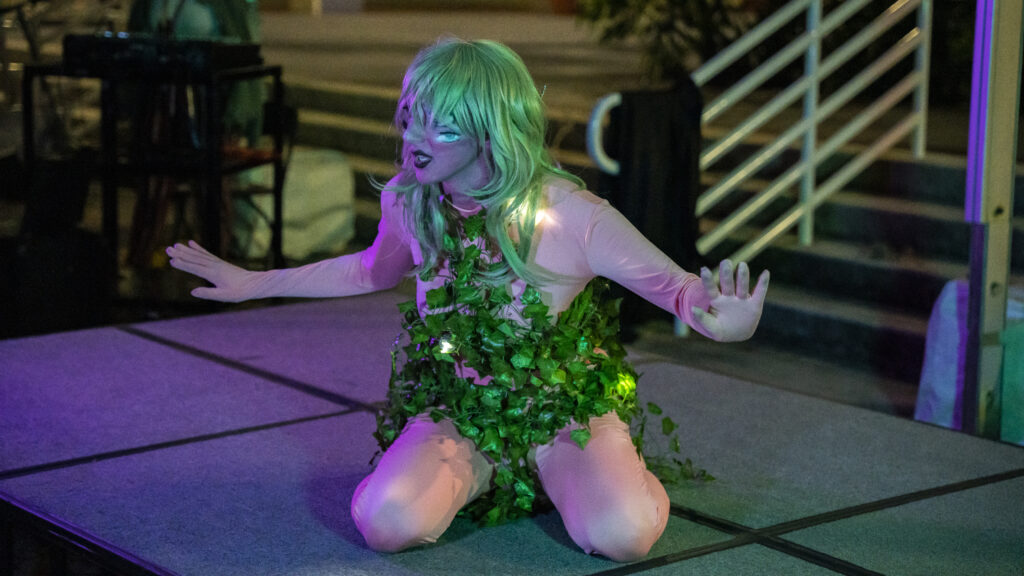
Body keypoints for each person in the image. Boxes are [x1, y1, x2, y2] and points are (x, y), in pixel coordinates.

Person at [166, 38, 769, 562]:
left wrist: (724, 321)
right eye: (412, 118)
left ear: (493, 131)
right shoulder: (410, 200)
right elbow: (371, 272)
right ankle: (495, 475)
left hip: (565, 416)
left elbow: (680, 291)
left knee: (621, 536)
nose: (416, 140)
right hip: (460, 408)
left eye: (443, 127)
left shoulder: (572, 216)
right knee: (386, 524)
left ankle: (590, 473)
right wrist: (256, 283)